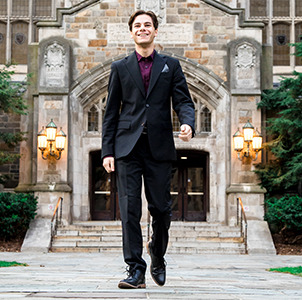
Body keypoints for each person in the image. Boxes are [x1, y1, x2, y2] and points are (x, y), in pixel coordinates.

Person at [100, 10, 195, 289]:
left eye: (148, 25)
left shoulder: (170, 66)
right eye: (138, 25)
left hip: (159, 147)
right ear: (132, 32)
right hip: (127, 148)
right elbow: (110, 113)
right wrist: (107, 151)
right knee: (129, 209)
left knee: (162, 210)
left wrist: (187, 123)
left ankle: (157, 254)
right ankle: (135, 270)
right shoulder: (120, 67)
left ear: (155, 31)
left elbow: (184, 101)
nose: (143, 29)